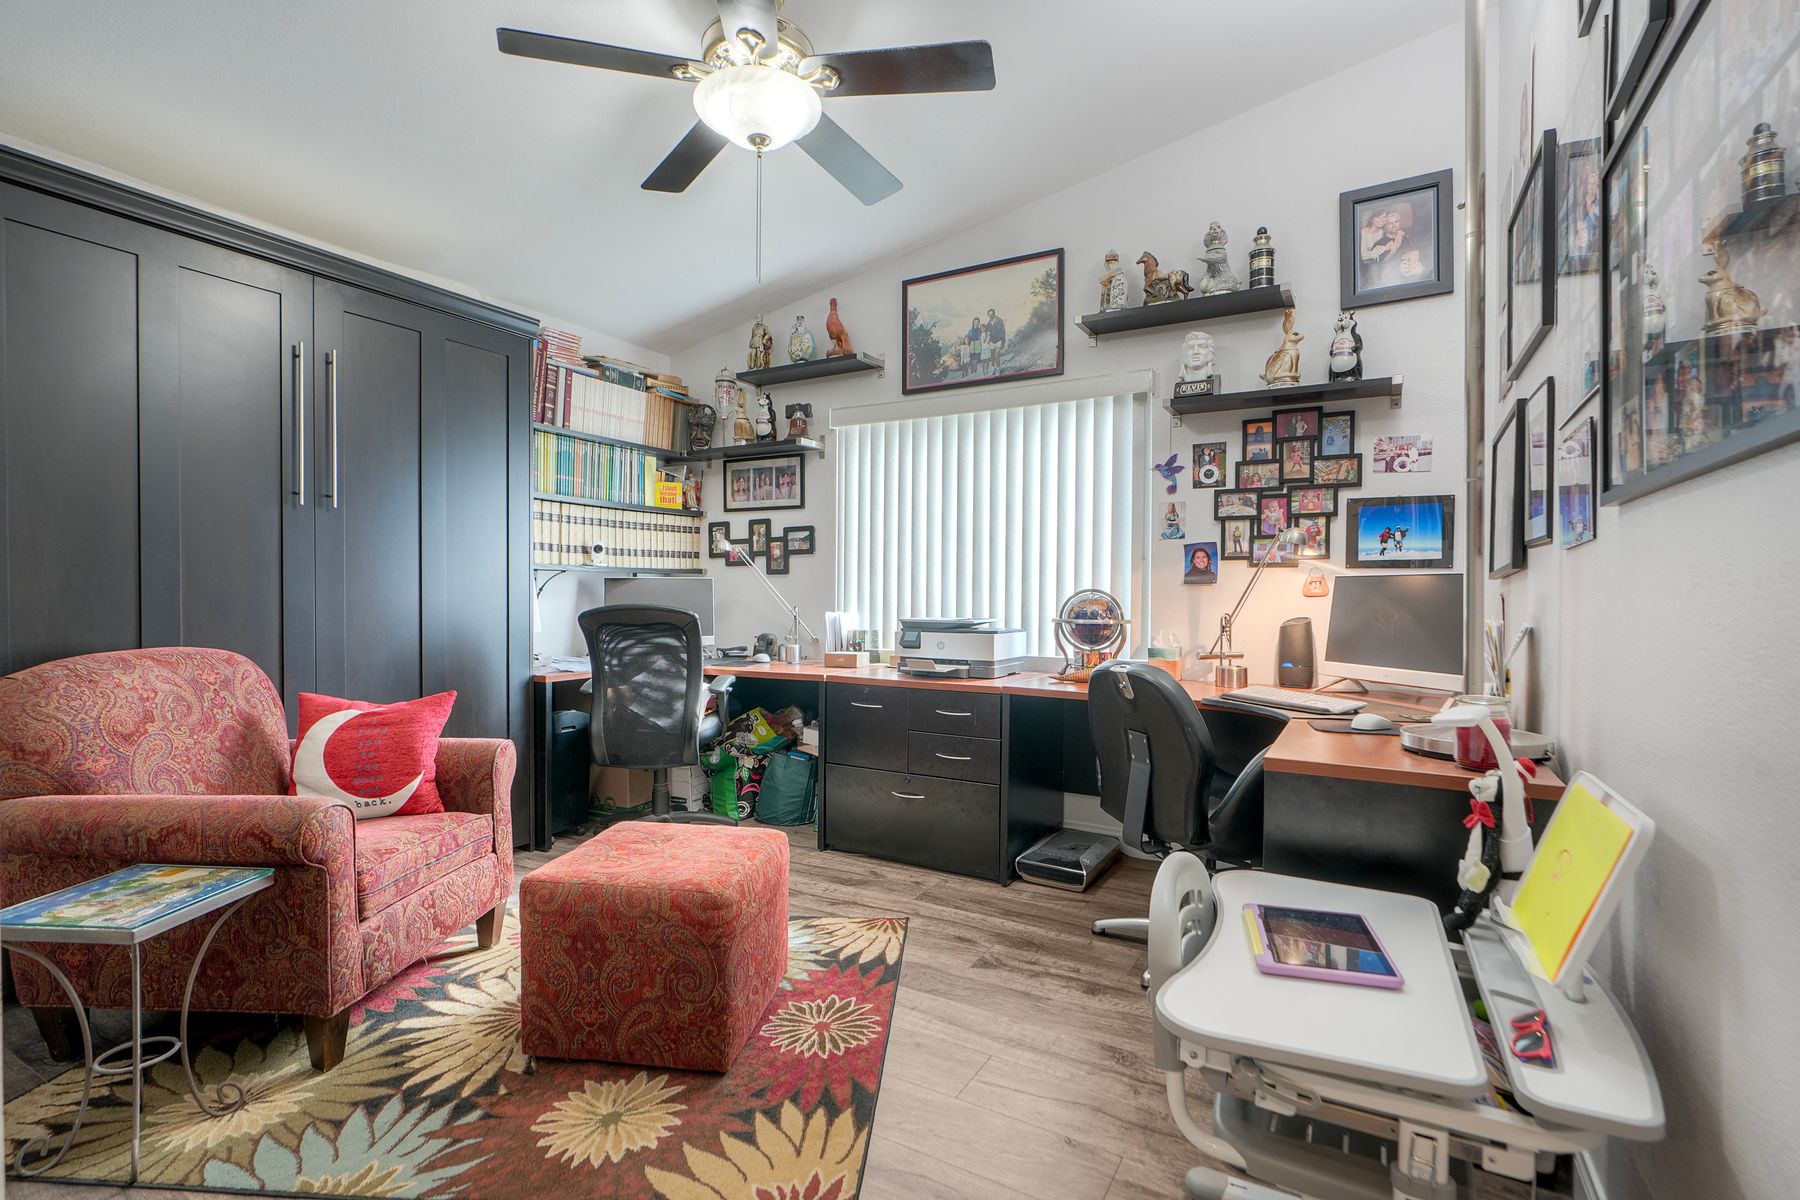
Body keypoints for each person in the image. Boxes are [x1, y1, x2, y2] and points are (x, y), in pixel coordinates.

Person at [983, 307, 1007, 375]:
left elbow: (1003, 331)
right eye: (989, 315)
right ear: (988, 315)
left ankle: (998, 369)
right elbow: (986, 331)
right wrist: (987, 339)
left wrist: (1003, 343)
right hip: (992, 342)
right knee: (992, 356)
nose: (991, 316)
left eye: (992, 314)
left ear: (994, 314)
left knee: (997, 355)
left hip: (999, 341)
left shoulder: (999, 321)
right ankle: (993, 368)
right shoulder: (988, 324)